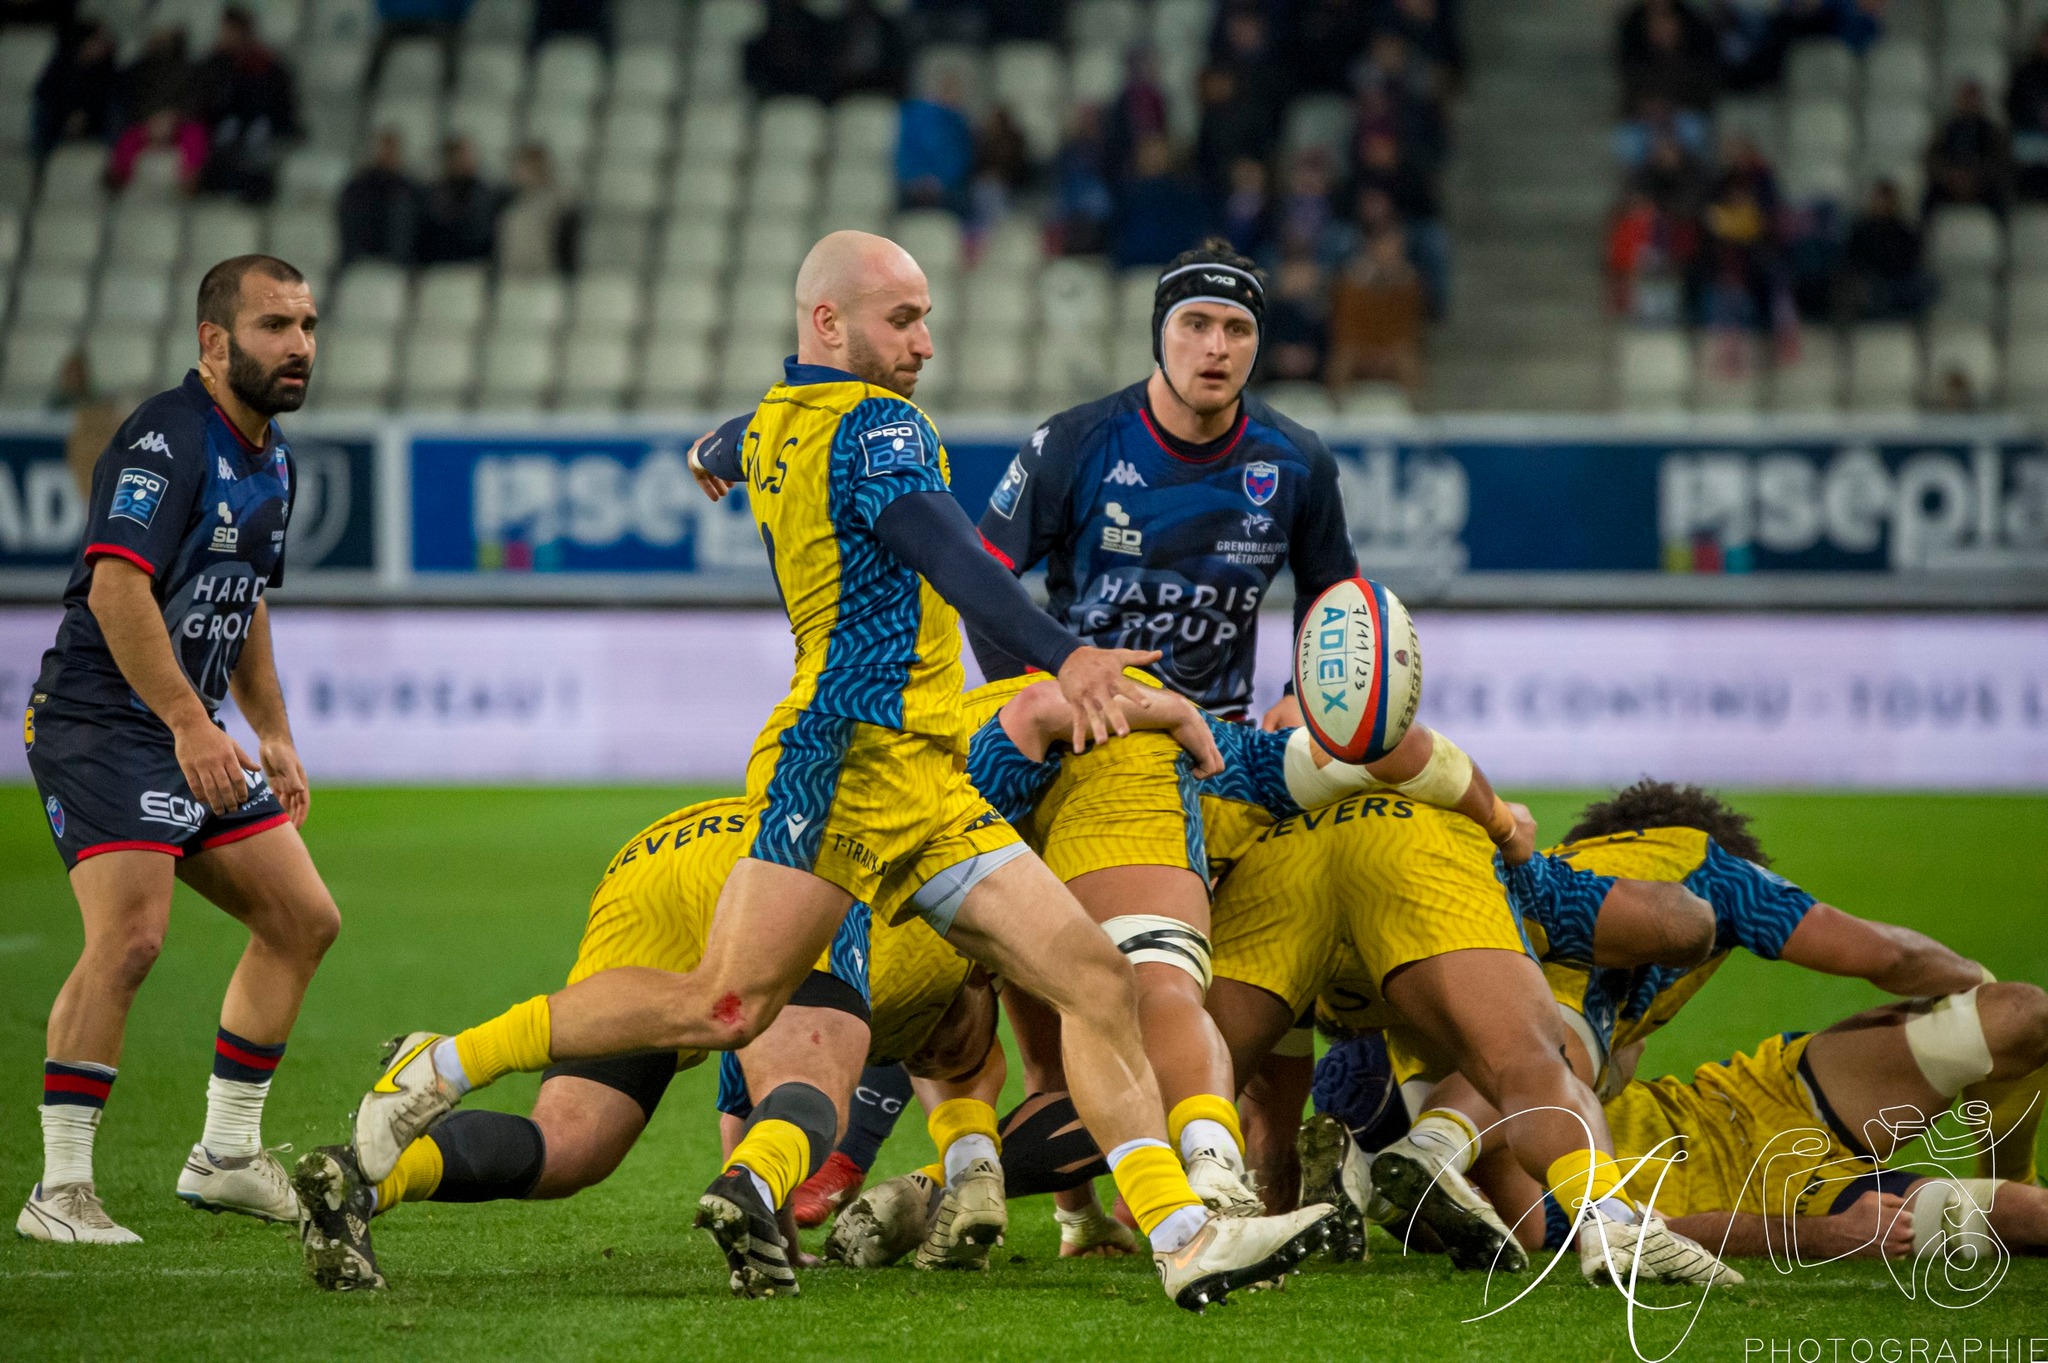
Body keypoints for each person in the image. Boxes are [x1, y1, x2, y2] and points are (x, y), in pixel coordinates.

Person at [342, 230, 1334, 1311]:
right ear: (829, 324)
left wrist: (714, 449)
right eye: (902, 320)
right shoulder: (880, 425)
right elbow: (952, 554)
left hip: (928, 777)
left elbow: (739, 438)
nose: (925, 343)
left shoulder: (778, 419)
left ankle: (1181, 1233)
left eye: (923, 318)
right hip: (839, 765)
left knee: (1094, 979)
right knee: (721, 1007)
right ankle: (440, 1066)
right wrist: (1067, 653)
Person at [17, 256, 338, 1245]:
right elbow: (118, 587)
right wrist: (193, 726)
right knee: (132, 937)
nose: (299, 346)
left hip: (177, 728)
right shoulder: (168, 437)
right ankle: (59, 1190)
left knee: (303, 918)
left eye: (308, 325)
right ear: (214, 342)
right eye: (275, 326)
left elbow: (244, 605)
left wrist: (272, 731)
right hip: (99, 724)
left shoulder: (271, 456)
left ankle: (228, 1156)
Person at [975, 239, 1358, 728]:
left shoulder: (1298, 461)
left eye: (1238, 329)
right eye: (1195, 324)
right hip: (1091, 729)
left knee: (1405, 761)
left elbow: (1336, 593)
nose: (1217, 347)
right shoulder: (1075, 442)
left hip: (1223, 737)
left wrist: (1304, 697)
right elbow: (984, 579)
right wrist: (1033, 697)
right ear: (1160, 336)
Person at [194, 5, 301, 203]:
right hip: (225, 129)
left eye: (231, 32)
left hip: (261, 126)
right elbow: (205, 103)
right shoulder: (212, 63)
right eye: (224, 31)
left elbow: (279, 105)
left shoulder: (266, 64)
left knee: (255, 142)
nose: (226, 37)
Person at [336, 129, 418, 266]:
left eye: (393, 149)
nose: (389, 154)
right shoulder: (357, 187)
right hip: (360, 258)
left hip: (398, 262)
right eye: (385, 148)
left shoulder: (410, 188)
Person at [414, 136, 500, 266]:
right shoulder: (433, 194)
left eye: (468, 155)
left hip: (473, 265)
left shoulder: (484, 195)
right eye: (460, 156)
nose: (465, 160)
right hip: (438, 266)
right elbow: (428, 234)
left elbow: (483, 234)